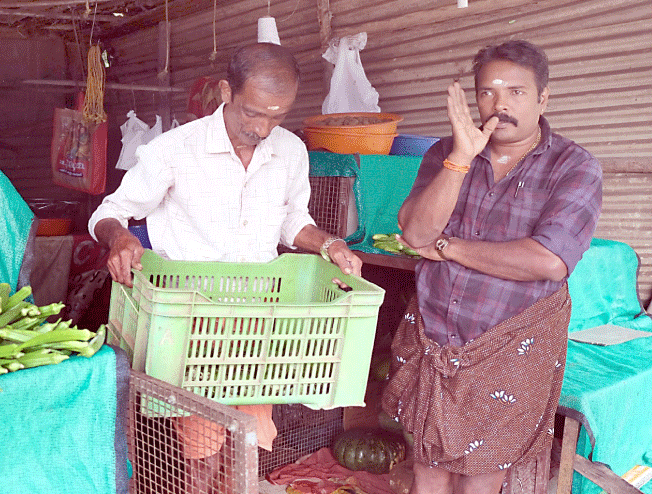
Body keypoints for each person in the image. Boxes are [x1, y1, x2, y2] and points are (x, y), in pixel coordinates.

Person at [88, 42, 363, 493]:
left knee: (248, 439)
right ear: (225, 92)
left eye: (277, 116)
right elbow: (110, 211)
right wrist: (119, 237)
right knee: (200, 445)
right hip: (191, 320)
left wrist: (328, 244)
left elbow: (293, 221)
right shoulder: (176, 149)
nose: (263, 128)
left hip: (258, 322)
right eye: (254, 113)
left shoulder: (290, 150)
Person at [380, 40, 602, 494]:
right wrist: (460, 159)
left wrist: (450, 248)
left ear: (543, 98)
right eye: (487, 93)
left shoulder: (573, 167)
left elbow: (549, 260)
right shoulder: (446, 152)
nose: (500, 105)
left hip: (510, 345)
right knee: (427, 462)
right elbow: (417, 233)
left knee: (482, 472)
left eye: (517, 92)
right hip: (434, 336)